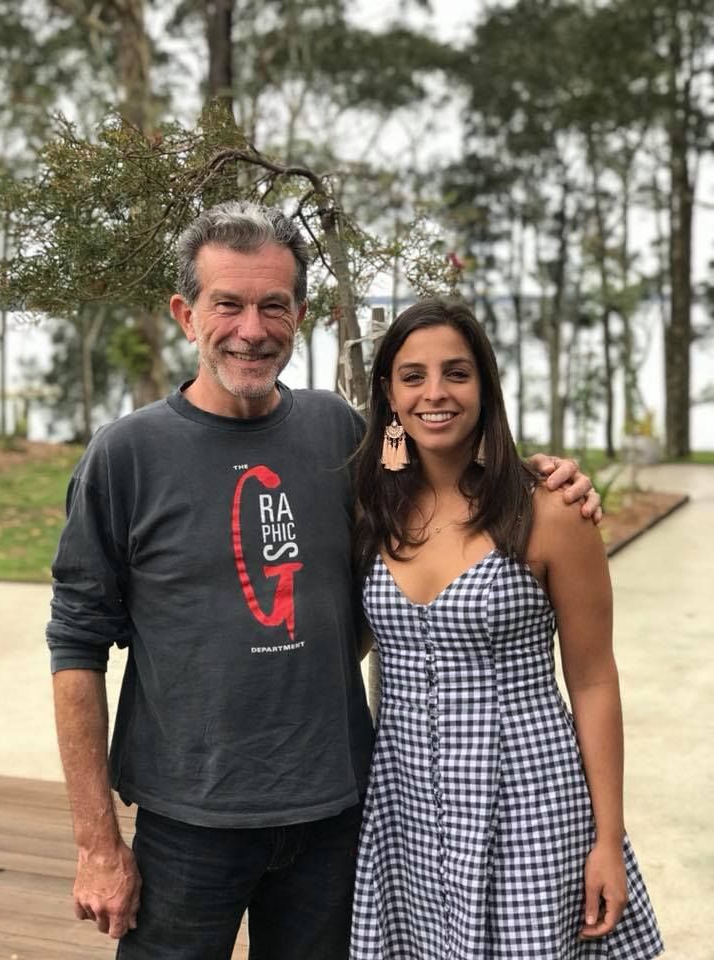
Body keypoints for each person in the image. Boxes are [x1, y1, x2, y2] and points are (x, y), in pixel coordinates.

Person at [47, 202, 601, 960]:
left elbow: (435, 475)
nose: (252, 329)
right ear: (185, 314)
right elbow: (75, 647)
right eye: (228, 304)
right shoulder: (125, 456)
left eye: (274, 305)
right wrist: (96, 843)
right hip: (188, 826)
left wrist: (541, 476)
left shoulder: (340, 434)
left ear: (299, 316)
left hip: (336, 820)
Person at [350, 299, 663, 959]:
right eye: (413, 376)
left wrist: (609, 840)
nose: (435, 393)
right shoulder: (371, 509)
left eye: (457, 373)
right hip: (405, 811)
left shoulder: (548, 511)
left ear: (486, 386)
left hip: (529, 803)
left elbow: (594, 680)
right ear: (389, 393)